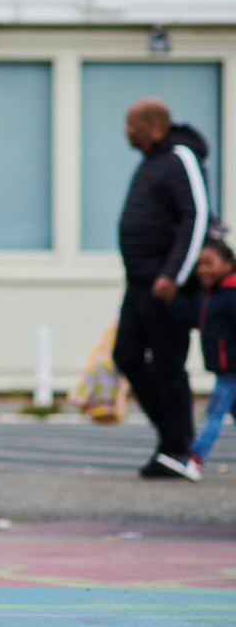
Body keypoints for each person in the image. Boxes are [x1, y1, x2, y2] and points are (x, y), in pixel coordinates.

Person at [114, 96, 210, 479]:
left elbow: (198, 214)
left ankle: (179, 450)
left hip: (166, 286)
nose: (126, 130)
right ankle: (173, 440)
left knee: (169, 365)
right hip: (140, 284)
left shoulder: (181, 157)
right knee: (127, 356)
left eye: (131, 123)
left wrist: (174, 275)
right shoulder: (154, 161)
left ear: (154, 126)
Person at [179, 237, 235, 475]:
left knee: (214, 412)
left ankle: (195, 457)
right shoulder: (211, 293)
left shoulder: (231, 293)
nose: (202, 269)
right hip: (223, 366)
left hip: (231, 368)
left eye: (209, 263)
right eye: (199, 264)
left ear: (228, 264)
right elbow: (193, 319)